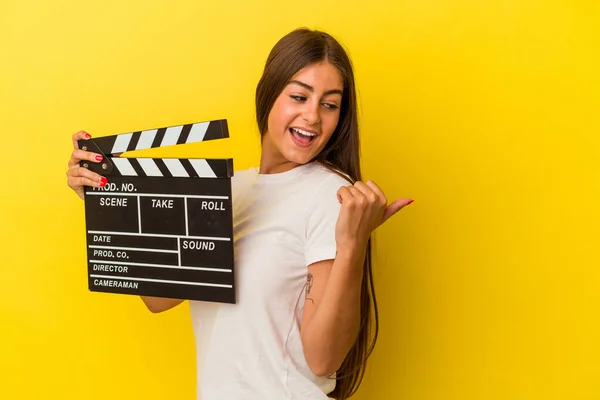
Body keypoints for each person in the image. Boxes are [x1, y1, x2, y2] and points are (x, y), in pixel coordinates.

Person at [66, 28, 413, 400]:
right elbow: (159, 299)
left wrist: (352, 245)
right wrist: (106, 199)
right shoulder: (228, 189)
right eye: (299, 96)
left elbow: (323, 358)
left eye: (330, 104)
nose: (312, 116)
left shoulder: (331, 194)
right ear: (268, 95)